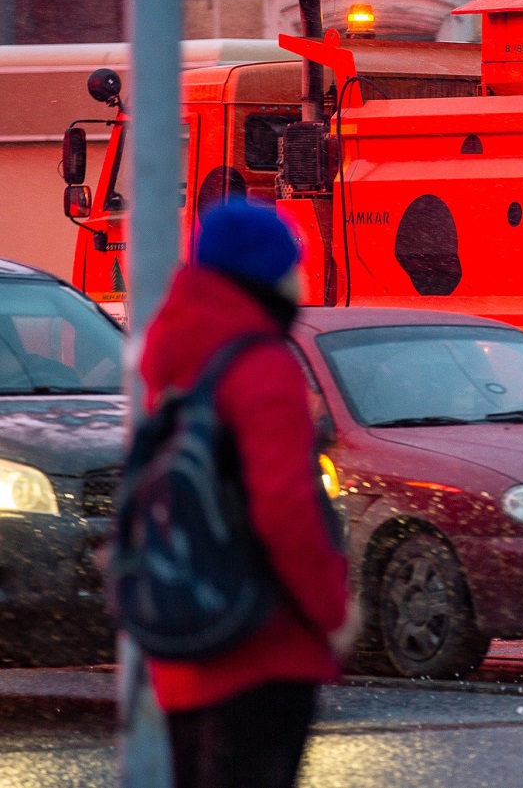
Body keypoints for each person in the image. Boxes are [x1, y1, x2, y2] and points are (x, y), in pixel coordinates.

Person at [139, 201, 358, 788]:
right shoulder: (261, 365)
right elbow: (285, 508)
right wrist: (330, 611)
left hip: (190, 633)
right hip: (263, 641)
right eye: (293, 266)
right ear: (266, 275)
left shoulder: (174, 356)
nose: (301, 282)